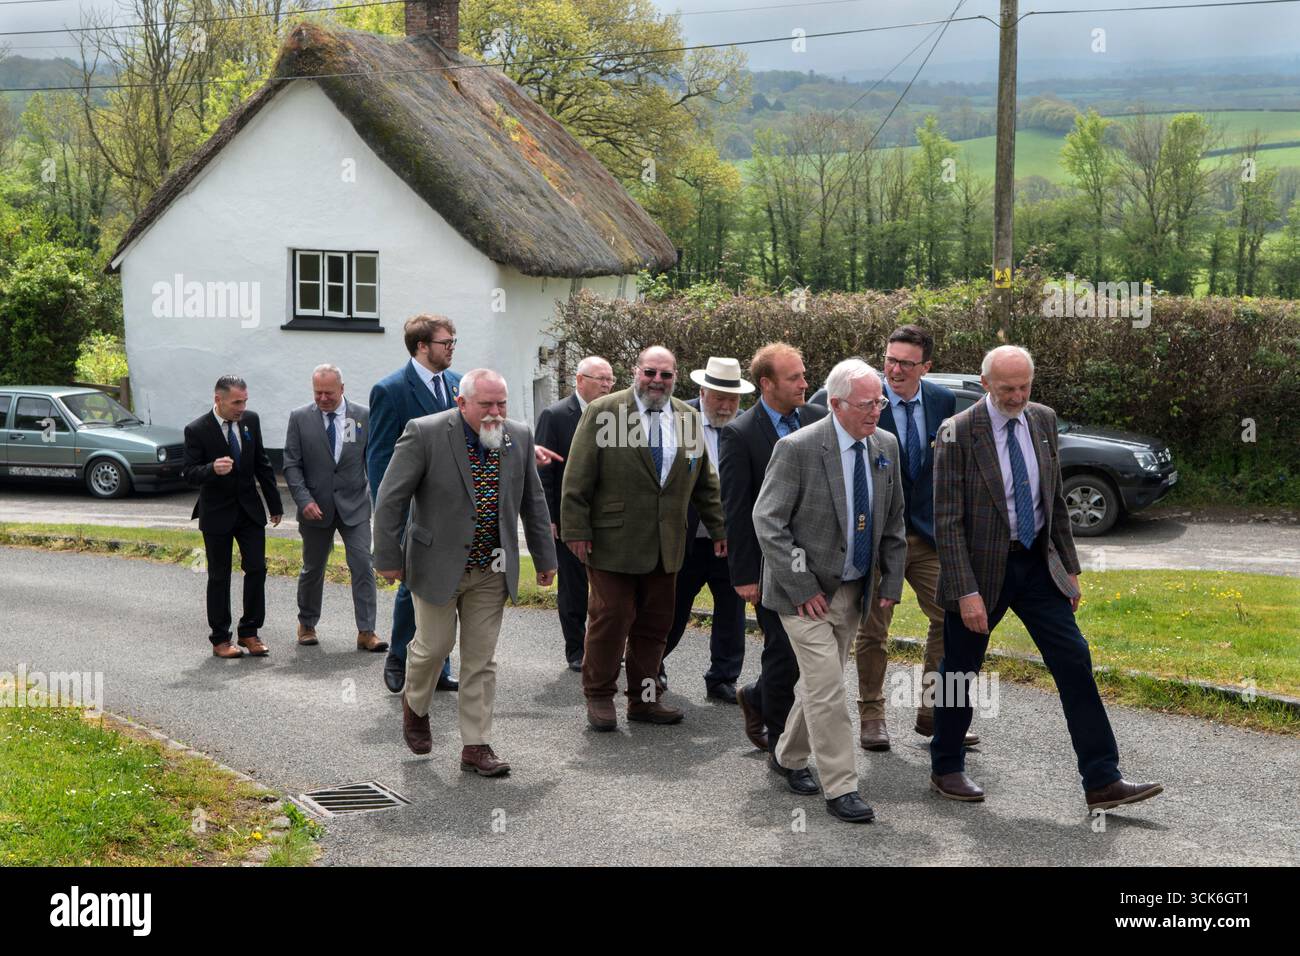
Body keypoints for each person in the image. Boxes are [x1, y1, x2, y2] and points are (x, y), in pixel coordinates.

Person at [930, 344, 1164, 814]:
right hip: (980, 572)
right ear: (985, 383)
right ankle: (946, 766)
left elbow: (1054, 499)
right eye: (1006, 388)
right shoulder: (957, 432)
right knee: (960, 668)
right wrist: (966, 591)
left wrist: (1070, 568)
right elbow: (947, 521)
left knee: (1074, 659)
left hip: (1037, 566)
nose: (1017, 396)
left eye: (1024, 387)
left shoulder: (1042, 420)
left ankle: (1102, 780)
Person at [373, 369, 557, 776]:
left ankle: (476, 746)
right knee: (434, 646)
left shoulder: (519, 436)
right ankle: (415, 705)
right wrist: (386, 555)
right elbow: (391, 497)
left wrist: (546, 558)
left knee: (481, 659)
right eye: (486, 404)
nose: (495, 412)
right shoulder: (424, 432)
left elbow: (534, 500)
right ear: (461, 402)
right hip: (436, 563)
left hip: (492, 568)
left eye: (502, 404)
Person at [752, 358, 907, 823]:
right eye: (865, 404)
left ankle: (787, 756)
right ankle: (842, 787)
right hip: (803, 595)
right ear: (835, 404)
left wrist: (891, 580)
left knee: (819, 685)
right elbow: (768, 521)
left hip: (854, 592)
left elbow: (894, 519)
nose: (875, 411)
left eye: (879, 401)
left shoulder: (886, 446)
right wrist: (800, 585)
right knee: (829, 688)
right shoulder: (797, 448)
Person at [560, 346, 726, 732]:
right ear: (636, 371)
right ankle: (599, 696)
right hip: (611, 542)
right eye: (650, 372)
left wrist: (719, 528)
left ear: (676, 378)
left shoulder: (687, 419)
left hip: (666, 544)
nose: (657, 381)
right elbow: (577, 477)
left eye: (666, 375)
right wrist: (576, 531)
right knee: (611, 619)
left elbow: (705, 482)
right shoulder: (604, 412)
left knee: (655, 626)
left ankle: (644, 700)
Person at [851, 326, 977, 752]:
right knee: (872, 629)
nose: (895, 369)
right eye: (890, 359)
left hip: (925, 535)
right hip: (875, 537)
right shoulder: (865, 399)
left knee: (951, 617)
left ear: (927, 366)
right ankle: (872, 716)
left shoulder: (942, 401)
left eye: (906, 362)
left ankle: (933, 712)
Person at [718, 343, 827, 751]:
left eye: (803, 374)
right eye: (794, 377)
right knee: (783, 650)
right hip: (770, 566)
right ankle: (782, 742)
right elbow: (738, 509)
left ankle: (757, 696)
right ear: (767, 384)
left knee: (806, 652)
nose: (804, 383)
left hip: (818, 562)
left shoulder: (818, 418)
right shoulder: (740, 434)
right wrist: (744, 575)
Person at [368, 316, 462, 694]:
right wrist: (390, 518)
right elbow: (378, 460)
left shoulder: (458, 385)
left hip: (454, 510)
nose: (452, 347)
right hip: (413, 510)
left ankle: (439, 664)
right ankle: (398, 657)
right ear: (422, 346)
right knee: (415, 585)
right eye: (446, 342)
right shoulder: (390, 390)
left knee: (450, 585)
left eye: (454, 341)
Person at [660, 356, 752, 703]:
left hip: (732, 539)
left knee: (732, 609)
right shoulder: (678, 422)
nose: (726, 406)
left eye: (733, 399)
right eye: (719, 398)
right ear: (702, 392)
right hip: (687, 536)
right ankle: (653, 665)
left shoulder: (744, 426)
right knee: (674, 605)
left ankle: (723, 678)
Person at [282, 364, 384, 652]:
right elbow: (291, 464)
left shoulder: (362, 416)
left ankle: (366, 631)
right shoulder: (300, 418)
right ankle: (307, 624)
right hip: (316, 508)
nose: (323, 398)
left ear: (342, 388)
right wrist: (304, 501)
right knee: (313, 568)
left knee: (363, 565)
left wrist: (380, 499)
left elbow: (372, 460)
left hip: (355, 506)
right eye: (318, 393)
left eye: (329, 392)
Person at [182, 375, 283, 659]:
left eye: (244, 401)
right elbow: (188, 473)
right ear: (219, 400)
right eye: (236, 402)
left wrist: (274, 504)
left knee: (257, 569)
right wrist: (212, 468)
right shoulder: (197, 429)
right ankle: (220, 638)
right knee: (219, 576)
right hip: (216, 512)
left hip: (249, 510)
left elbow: (262, 462)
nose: (241, 407)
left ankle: (250, 632)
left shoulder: (251, 420)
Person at [535, 356, 614, 671]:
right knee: (574, 587)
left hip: (608, 518)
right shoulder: (555, 416)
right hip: (568, 517)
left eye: (610, 380)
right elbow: (544, 472)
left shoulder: (615, 416)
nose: (607, 385)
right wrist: (548, 518)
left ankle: (603, 646)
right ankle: (576, 650)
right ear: (580, 380)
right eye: (601, 379)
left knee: (609, 588)